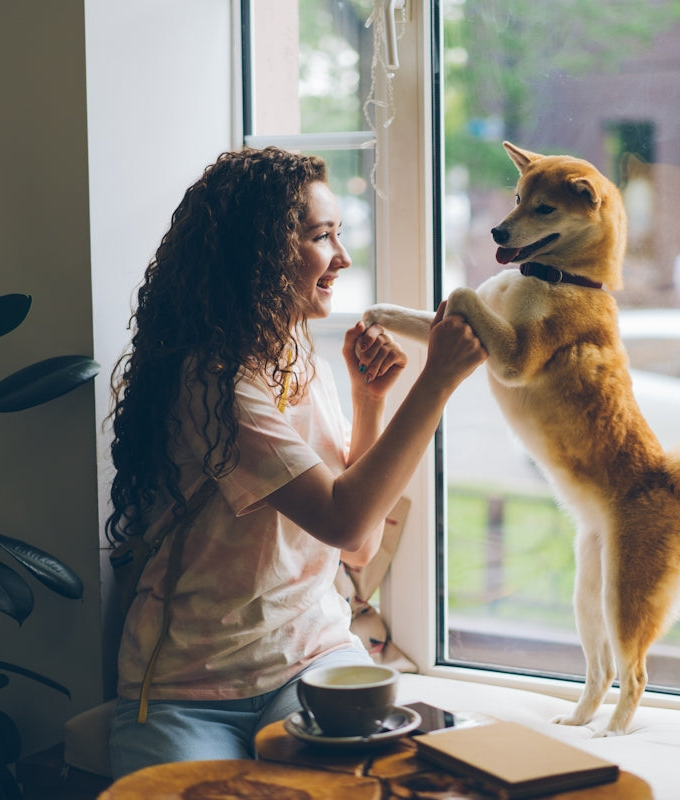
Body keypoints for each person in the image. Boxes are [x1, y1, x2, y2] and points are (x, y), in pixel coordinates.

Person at [104, 146, 487, 778]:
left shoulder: (295, 357)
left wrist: (370, 402)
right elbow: (344, 522)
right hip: (184, 689)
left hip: (310, 657)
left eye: (340, 234)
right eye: (322, 236)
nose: (342, 257)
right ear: (258, 252)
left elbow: (356, 549)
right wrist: (436, 381)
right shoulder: (212, 381)